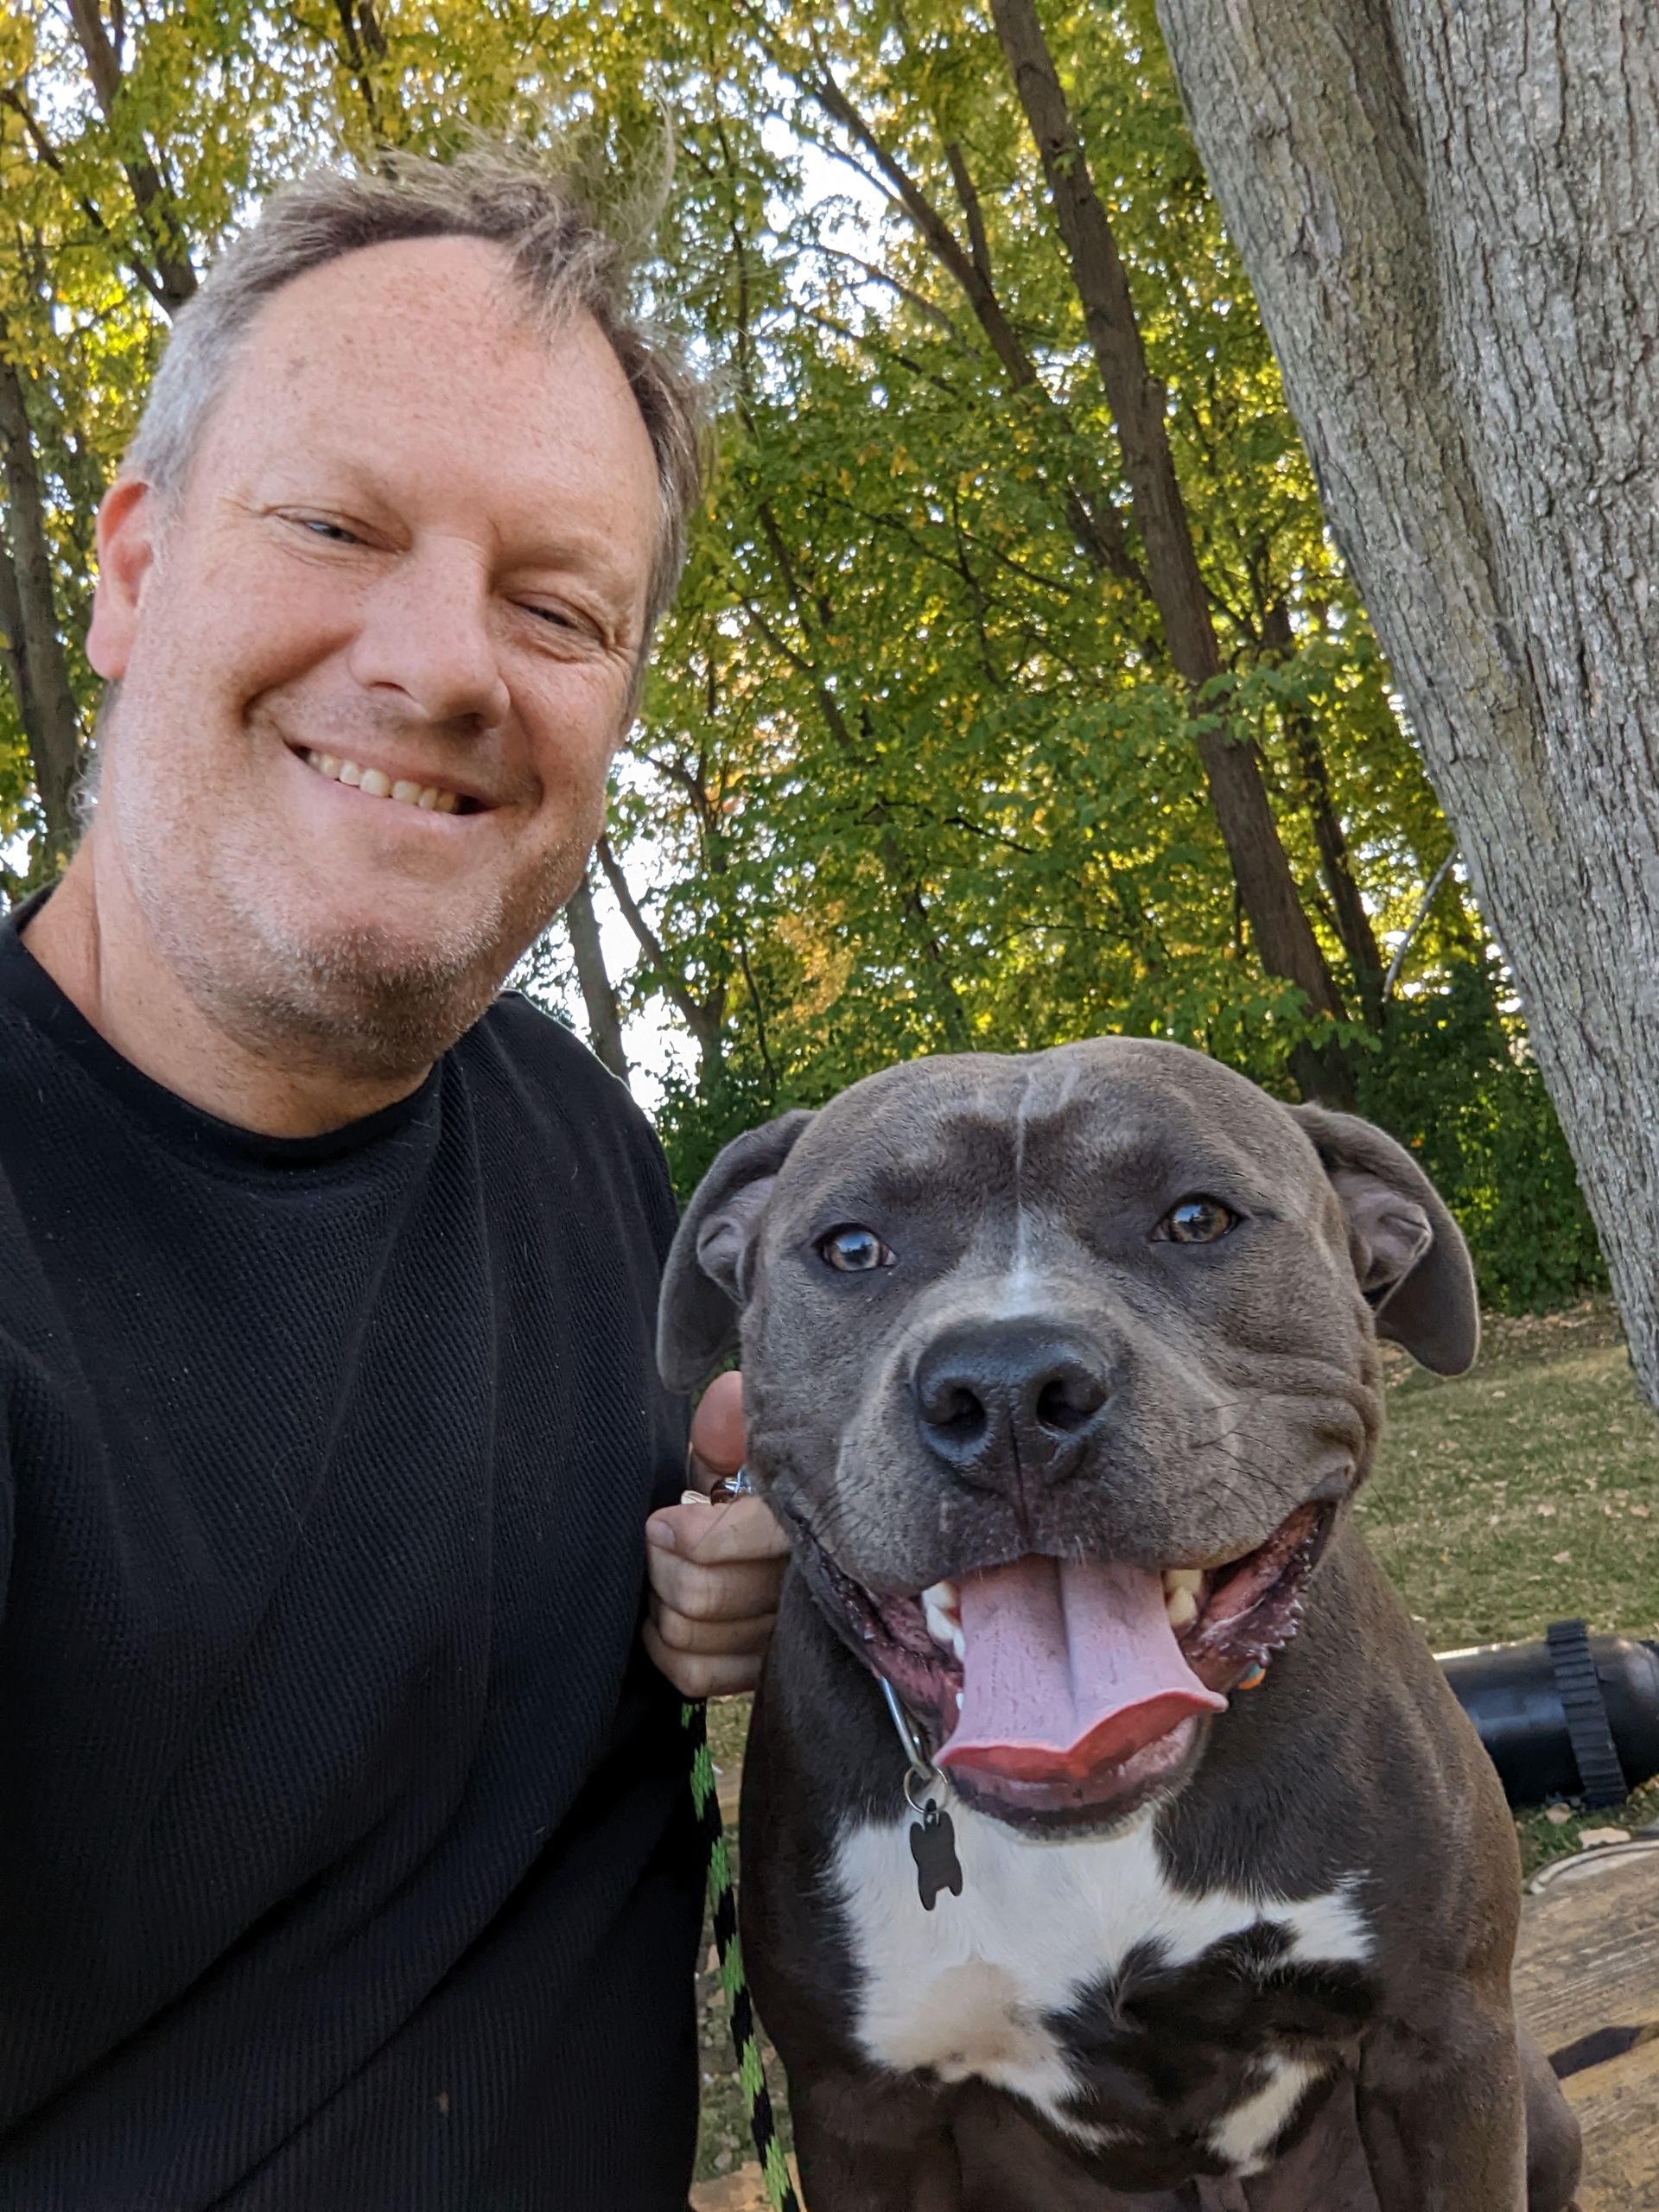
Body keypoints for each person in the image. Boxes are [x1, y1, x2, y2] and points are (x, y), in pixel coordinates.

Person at [0, 148, 786, 2211]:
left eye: (556, 605)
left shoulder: (583, 1150)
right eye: (337, 524)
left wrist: (791, 1575)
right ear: (134, 566)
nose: (448, 665)